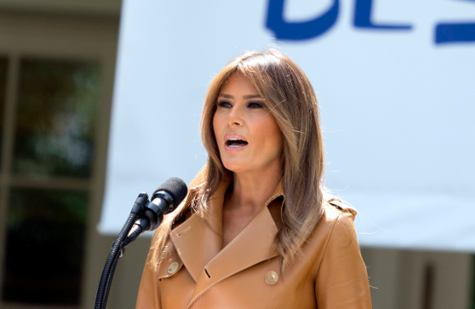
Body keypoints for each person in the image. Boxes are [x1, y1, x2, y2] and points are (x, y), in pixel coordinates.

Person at [135, 49, 372, 308]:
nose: (232, 118)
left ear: (290, 123)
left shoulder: (328, 230)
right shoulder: (178, 221)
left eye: (254, 104)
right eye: (224, 104)